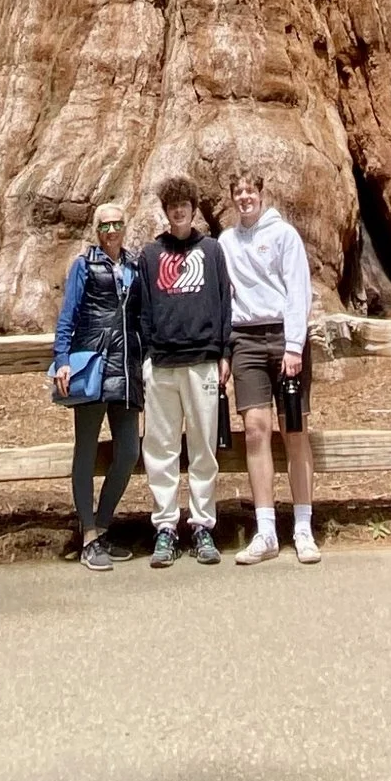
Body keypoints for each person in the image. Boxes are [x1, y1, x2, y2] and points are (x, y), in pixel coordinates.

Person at [220, 166, 316, 562]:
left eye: (250, 191)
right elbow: (223, 297)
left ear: (261, 194)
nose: (244, 198)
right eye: (237, 192)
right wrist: (224, 351)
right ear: (232, 198)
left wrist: (294, 345)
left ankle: (304, 527)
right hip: (245, 339)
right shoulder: (225, 242)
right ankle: (265, 531)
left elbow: (298, 289)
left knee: (294, 429)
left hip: (284, 338)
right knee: (256, 430)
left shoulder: (283, 236)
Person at [136, 173, 230, 568]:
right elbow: (141, 309)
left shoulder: (211, 251)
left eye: (185, 206)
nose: (179, 211)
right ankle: (165, 527)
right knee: (161, 447)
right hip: (162, 363)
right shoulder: (150, 255)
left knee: (204, 446)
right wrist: (146, 355)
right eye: (173, 206)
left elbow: (225, 300)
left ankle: (203, 525)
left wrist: (224, 351)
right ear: (166, 210)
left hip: (204, 359)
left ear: (194, 210)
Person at [51, 201, 143, 570]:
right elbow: (67, 315)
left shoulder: (135, 266)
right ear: (96, 230)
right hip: (91, 364)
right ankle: (87, 533)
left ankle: (102, 526)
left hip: (126, 366)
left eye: (117, 224)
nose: (111, 231)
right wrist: (62, 360)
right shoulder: (83, 266)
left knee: (128, 452)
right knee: (86, 451)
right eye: (104, 225)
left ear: (125, 227)